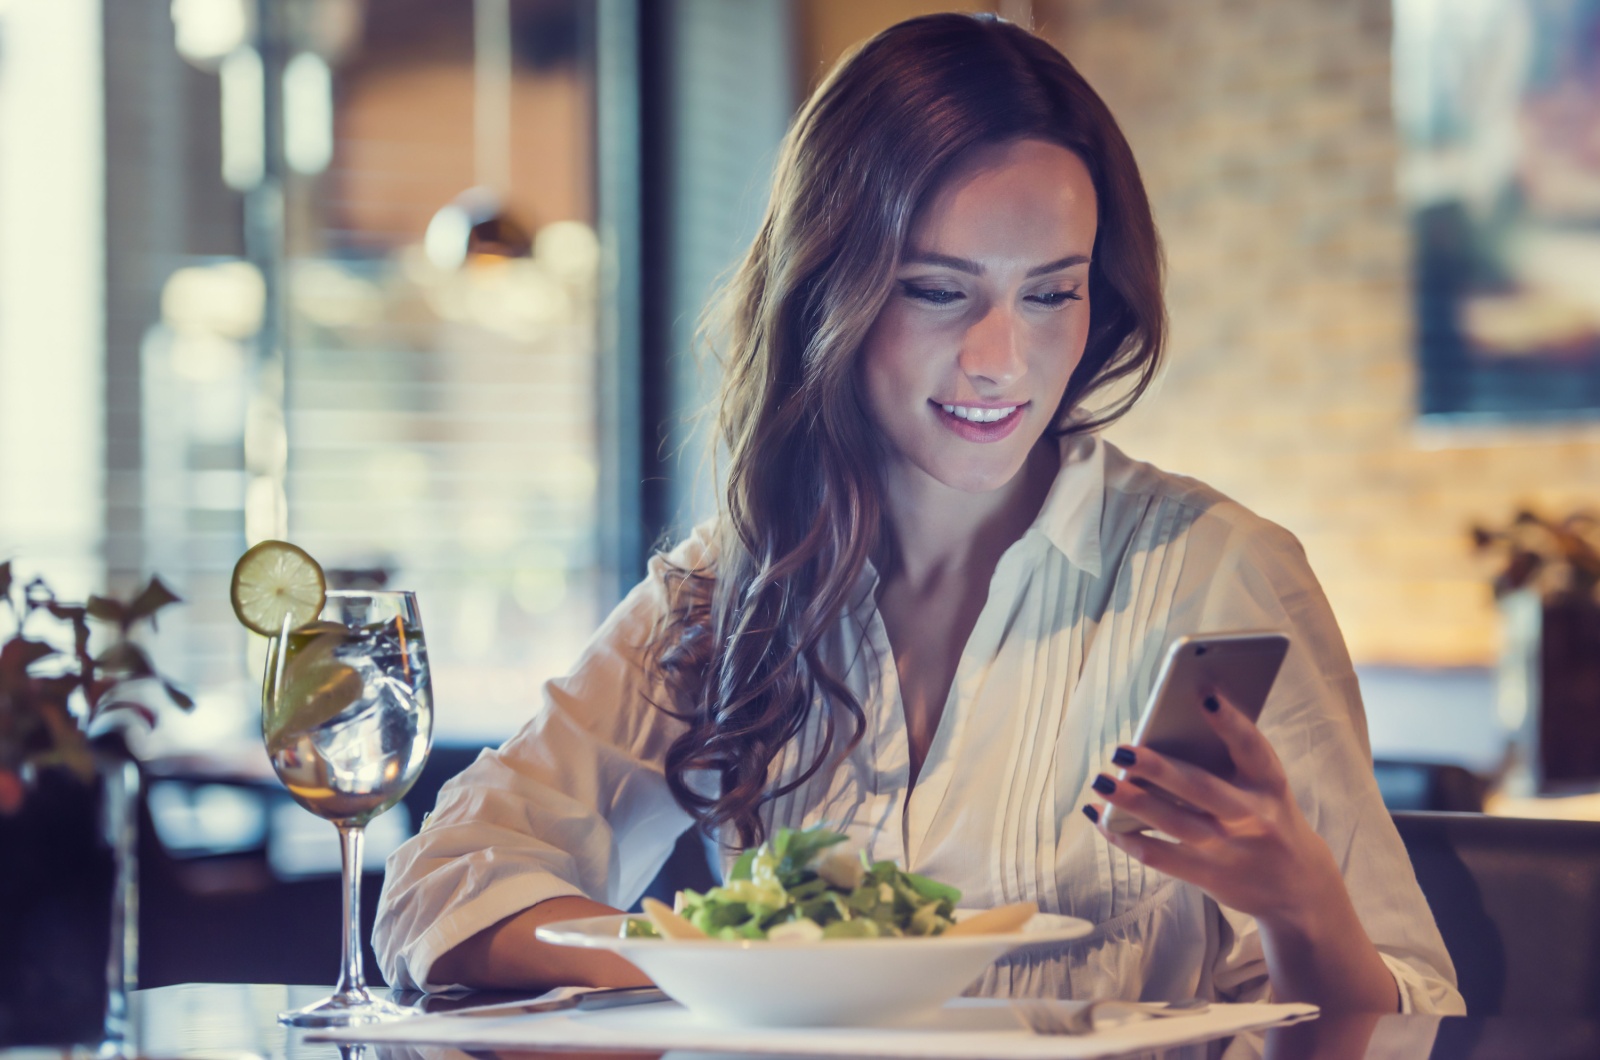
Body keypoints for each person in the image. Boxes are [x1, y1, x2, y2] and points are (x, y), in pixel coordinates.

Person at [374, 13, 1465, 1014]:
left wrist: (1301, 904)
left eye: (1051, 292)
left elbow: (1400, 1005)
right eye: (937, 289)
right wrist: (730, 958)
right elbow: (443, 881)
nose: (1000, 361)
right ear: (825, 292)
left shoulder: (1214, 571)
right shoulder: (735, 585)